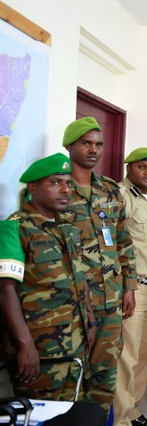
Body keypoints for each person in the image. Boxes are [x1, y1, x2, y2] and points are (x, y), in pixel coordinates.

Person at [0, 153, 93, 401]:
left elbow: (79, 279)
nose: (65, 190)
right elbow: (5, 291)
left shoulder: (67, 228)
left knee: (70, 415)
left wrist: (90, 322)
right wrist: (25, 344)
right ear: (33, 187)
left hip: (74, 343)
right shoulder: (15, 228)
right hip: (40, 351)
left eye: (68, 183)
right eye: (55, 183)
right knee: (41, 421)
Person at [61, 117, 136, 412]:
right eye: (86, 143)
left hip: (110, 299)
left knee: (105, 373)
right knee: (72, 373)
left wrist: (129, 287)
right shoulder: (57, 189)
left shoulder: (110, 190)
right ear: (69, 146)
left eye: (99, 144)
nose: (94, 150)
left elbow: (123, 241)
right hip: (74, 303)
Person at [109, 148, 147, 426]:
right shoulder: (120, 196)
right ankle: (118, 425)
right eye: (142, 167)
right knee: (126, 358)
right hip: (131, 289)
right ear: (129, 168)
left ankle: (132, 410)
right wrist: (126, 287)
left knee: (144, 356)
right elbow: (113, 245)